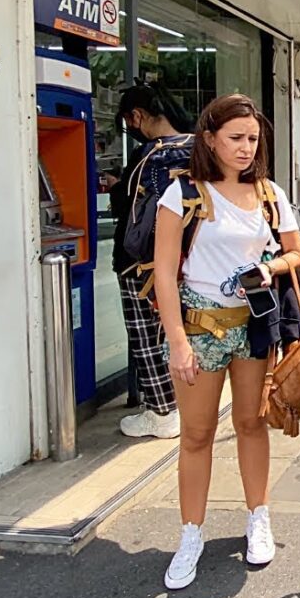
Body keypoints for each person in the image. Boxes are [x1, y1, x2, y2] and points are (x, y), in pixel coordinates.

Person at [153, 94, 300, 590]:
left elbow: (297, 253)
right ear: (210, 139)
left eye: (253, 139)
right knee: (196, 435)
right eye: (235, 138)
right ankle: (190, 533)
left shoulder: (268, 194)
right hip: (199, 328)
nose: (245, 148)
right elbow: (163, 273)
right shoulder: (182, 195)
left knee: (250, 423)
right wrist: (177, 341)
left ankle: (258, 515)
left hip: (254, 325)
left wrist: (269, 266)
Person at [110, 83, 192, 438]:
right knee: (176, 333)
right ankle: (184, 403)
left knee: (145, 336)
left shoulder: (147, 155)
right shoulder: (196, 149)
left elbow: (126, 209)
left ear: (138, 116)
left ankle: (161, 414)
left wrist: (116, 185)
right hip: (186, 263)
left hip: (138, 264)